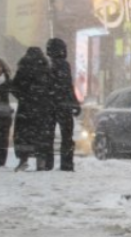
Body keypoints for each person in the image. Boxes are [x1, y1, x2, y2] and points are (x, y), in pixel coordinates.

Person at [10, 47, 54, 172]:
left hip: (26, 109)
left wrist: (24, 97)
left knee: (23, 135)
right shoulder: (46, 70)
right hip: (41, 109)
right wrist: (44, 99)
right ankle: (41, 161)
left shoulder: (23, 70)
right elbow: (51, 88)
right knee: (41, 135)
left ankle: (23, 160)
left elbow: (14, 87)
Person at [44, 38, 82, 172]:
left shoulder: (46, 64)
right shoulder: (65, 65)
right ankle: (66, 164)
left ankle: (47, 163)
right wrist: (75, 103)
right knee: (67, 136)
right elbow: (68, 86)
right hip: (64, 105)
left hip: (50, 105)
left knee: (48, 136)